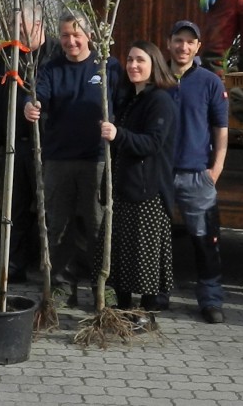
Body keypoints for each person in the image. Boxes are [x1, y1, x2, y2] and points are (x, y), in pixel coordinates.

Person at [24, 10, 122, 307]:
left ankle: (101, 284)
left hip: (96, 159)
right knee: (59, 224)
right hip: (58, 159)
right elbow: (38, 94)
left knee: (97, 224)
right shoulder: (52, 67)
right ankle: (62, 285)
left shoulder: (108, 68)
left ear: (89, 36)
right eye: (65, 35)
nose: (70, 41)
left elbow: (122, 103)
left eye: (76, 34)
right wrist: (31, 105)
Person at [99, 40, 177, 322]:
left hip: (147, 191)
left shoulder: (160, 100)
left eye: (140, 60)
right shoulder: (131, 98)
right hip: (125, 187)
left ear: (154, 64)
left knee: (143, 259)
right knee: (122, 255)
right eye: (130, 59)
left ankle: (144, 315)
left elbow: (152, 143)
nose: (133, 65)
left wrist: (117, 134)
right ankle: (122, 310)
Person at [0, 3, 58, 285]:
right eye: (12, 26)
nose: (14, 32)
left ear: (38, 25)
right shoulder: (7, 55)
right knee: (13, 209)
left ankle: (51, 270)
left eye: (20, 26)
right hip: (14, 145)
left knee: (48, 209)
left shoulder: (54, 55)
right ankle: (12, 267)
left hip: (46, 147)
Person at [166, 20, 230, 323]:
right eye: (178, 40)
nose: (183, 47)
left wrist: (215, 169)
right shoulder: (157, 77)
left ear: (197, 47)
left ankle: (210, 298)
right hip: (160, 174)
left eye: (190, 42)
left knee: (205, 242)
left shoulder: (210, 81)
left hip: (197, 176)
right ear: (169, 43)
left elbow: (221, 129)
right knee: (156, 238)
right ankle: (157, 293)